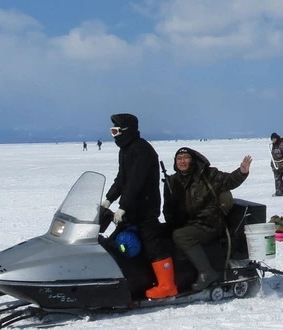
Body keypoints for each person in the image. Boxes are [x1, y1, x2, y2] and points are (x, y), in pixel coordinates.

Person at [101, 113, 177, 299]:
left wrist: (123, 206)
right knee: (115, 241)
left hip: (146, 208)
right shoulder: (126, 150)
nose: (114, 135)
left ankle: (167, 285)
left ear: (126, 130)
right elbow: (122, 179)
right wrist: (109, 199)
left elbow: (136, 181)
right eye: (112, 131)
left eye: (115, 131)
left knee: (152, 244)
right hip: (131, 208)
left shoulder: (143, 150)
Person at [163, 147, 252, 291]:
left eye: (186, 158)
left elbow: (228, 181)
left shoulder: (207, 174)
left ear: (193, 160)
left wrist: (242, 172)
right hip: (187, 223)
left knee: (181, 236)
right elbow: (167, 208)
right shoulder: (172, 181)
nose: (182, 161)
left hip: (209, 223)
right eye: (179, 159)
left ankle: (206, 272)